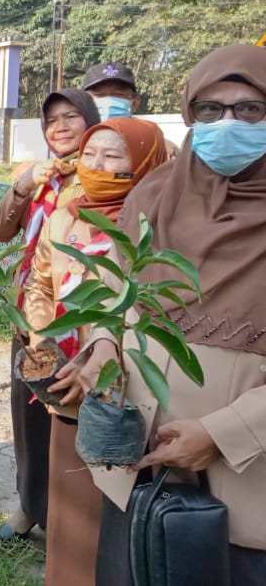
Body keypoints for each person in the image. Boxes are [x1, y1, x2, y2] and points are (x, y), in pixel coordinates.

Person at [72, 44, 266, 586]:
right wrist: (104, 348)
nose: (228, 123)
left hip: (245, 487)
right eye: (210, 109)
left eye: (249, 109)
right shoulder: (155, 196)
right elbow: (110, 294)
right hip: (139, 468)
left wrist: (223, 434)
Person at [23, 118, 167, 586]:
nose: (97, 166)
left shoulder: (159, 224)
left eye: (114, 157)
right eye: (90, 155)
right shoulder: (65, 216)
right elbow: (41, 282)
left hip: (137, 391)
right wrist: (44, 342)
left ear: (144, 163)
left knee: (122, 518)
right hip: (70, 385)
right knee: (73, 514)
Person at [0, 88, 99, 541]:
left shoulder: (102, 175)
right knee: (29, 419)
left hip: (81, 322)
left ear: (91, 122)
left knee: (74, 421)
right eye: (52, 121)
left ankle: (71, 520)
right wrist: (24, 184)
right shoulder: (35, 174)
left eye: (72, 117)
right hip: (30, 321)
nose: (62, 126)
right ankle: (31, 506)